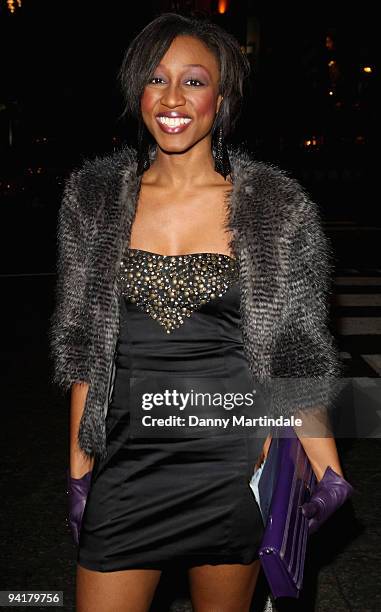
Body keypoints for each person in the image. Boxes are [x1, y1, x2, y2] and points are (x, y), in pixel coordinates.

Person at [49, 12, 354, 612]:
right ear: (137, 90)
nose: (172, 99)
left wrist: (327, 467)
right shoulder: (92, 200)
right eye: (155, 79)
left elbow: (296, 351)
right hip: (127, 461)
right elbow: (84, 345)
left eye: (193, 81)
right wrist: (79, 472)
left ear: (223, 96)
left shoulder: (276, 207)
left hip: (232, 465)